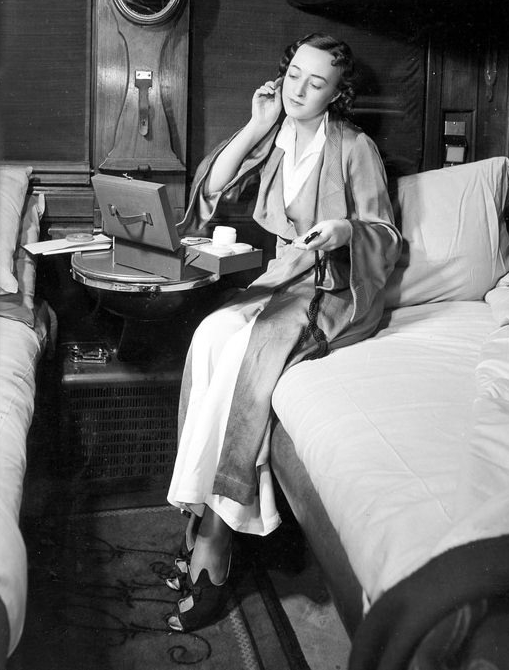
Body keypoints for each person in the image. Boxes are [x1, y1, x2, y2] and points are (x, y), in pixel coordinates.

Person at [165, 32, 402, 632]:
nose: (299, 89)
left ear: (337, 94)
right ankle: (199, 518)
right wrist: (255, 122)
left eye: (315, 82)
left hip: (332, 292)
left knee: (249, 351)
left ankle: (215, 545)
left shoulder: (355, 147)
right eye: (293, 74)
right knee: (211, 335)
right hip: (282, 281)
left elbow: (386, 234)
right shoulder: (274, 134)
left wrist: (344, 231)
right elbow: (212, 189)